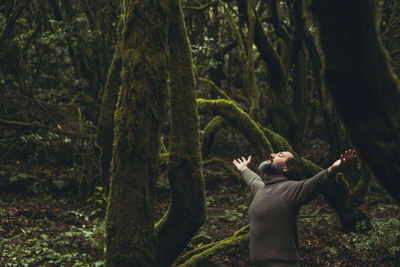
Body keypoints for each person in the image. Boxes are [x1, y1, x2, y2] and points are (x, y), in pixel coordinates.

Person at [233, 150, 357, 267]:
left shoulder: (292, 190)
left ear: (286, 167)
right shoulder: (262, 190)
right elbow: (254, 180)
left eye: (279, 155)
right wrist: (244, 169)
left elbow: (315, 183)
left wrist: (333, 169)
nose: (272, 155)